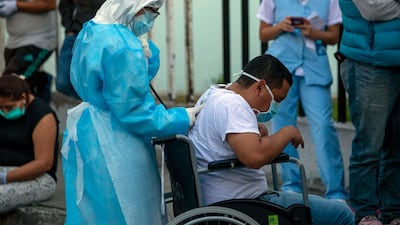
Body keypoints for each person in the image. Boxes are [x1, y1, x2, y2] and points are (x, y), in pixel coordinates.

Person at [60, 0, 203, 224]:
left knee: (92, 211)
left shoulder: (93, 29)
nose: (153, 17)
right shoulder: (122, 46)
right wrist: (182, 117)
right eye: (151, 10)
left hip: (89, 133)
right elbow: (136, 112)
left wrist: (144, 54)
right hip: (117, 142)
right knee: (128, 211)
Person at [189, 54, 354, 225]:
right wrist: (287, 133)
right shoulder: (233, 105)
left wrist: (256, 134)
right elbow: (254, 157)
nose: (275, 106)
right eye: (276, 99)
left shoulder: (213, 94)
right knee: (342, 214)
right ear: (260, 87)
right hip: (244, 203)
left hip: (224, 200)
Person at [256, 0, 348, 202]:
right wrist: (281, 27)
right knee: (282, 126)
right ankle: (291, 187)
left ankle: (336, 193)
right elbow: (263, 33)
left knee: (323, 126)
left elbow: (333, 36)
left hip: (315, 68)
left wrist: (312, 32)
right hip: (280, 69)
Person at [338, 0, 400, 224]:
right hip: (369, 64)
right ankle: (365, 213)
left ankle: (394, 212)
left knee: (397, 148)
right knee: (368, 147)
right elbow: (374, 8)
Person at [0, 74, 59, 214]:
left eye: (9, 107)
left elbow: (43, 163)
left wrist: (5, 178)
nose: (4, 112)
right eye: (1, 108)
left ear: (23, 98)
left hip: (38, 178)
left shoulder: (42, 115)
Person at [0, 0, 57, 103]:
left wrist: (16, 6)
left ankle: (41, 111)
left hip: (38, 40)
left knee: (11, 84)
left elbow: (50, 4)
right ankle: (41, 80)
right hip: (13, 41)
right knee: (22, 83)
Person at [56, 0, 105, 99]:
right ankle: (92, 102)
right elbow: (65, 5)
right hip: (76, 32)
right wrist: (69, 28)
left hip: (101, 34)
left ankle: (96, 105)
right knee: (62, 83)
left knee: (98, 79)